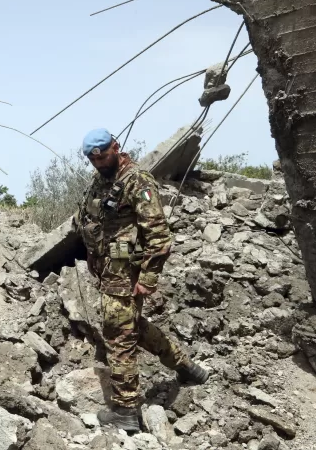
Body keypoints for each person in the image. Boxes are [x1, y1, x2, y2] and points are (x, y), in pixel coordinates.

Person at [73, 128, 209, 432]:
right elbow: (91, 218)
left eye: (102, 156)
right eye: (92, 159)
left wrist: (148, 277)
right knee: (131, 325)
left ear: (116, 147)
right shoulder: (103, 179)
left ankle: (125, 410)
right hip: (108, 269)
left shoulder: (138, 181)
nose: (97, 163)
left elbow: (159, 236)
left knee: (118, 335)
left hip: (126, 269)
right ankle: (186, 368)